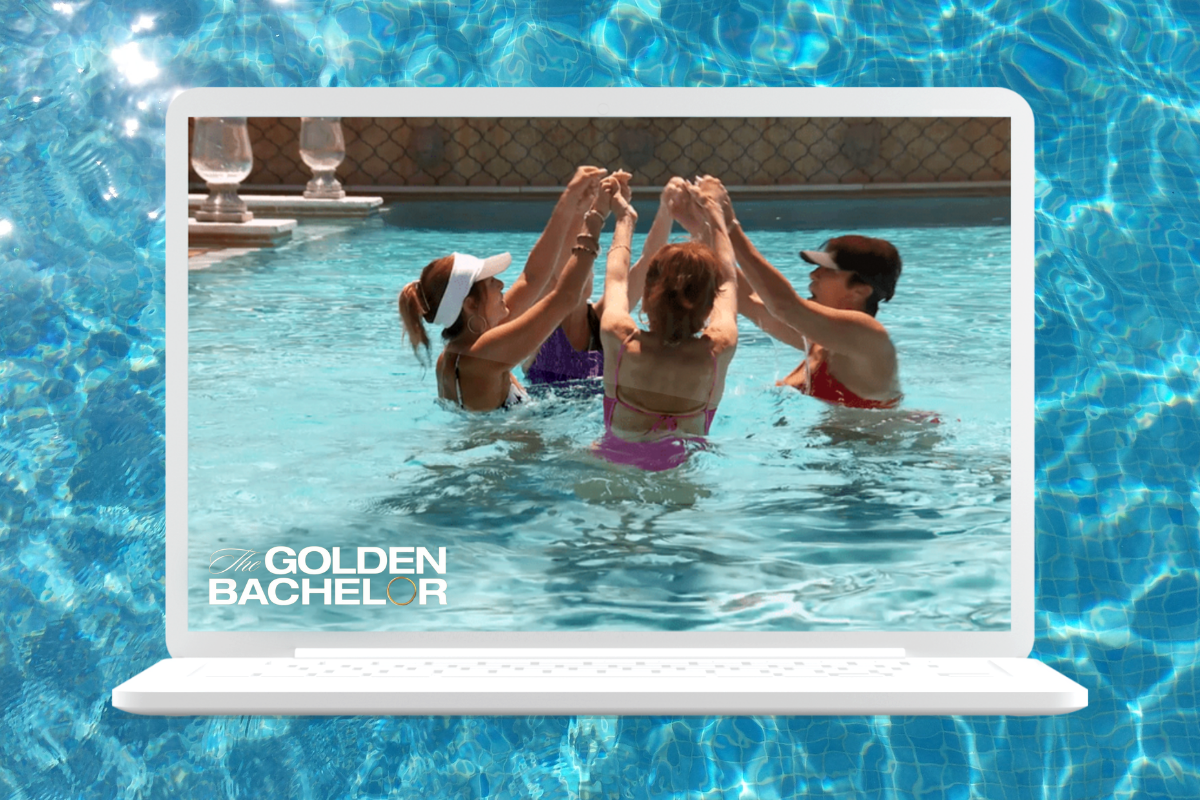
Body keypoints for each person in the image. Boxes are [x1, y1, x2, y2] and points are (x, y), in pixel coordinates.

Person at [397, 166, 611, 411]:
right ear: (470, 304)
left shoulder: (459, 351)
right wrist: (595, 221)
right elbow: (566, 297)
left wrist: (572, 203)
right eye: (490, 282)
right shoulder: (485, 354)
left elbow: (532, 277)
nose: (501, 284)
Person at [704, 176, 903, 409]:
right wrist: (703, 225)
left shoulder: (868, 336)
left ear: (859, 291)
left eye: (828, 270)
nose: (814, 275)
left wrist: (729, 224)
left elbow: (783, 305)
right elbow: (747, 299)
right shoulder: (821, 340)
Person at [593, 174, 738, 471]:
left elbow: (618, 275)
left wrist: (625, 218)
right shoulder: (720, 347)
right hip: (684, 469)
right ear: (710, 302)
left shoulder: (618, 338)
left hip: (613, 466)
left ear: (646, 295)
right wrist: (715, 213)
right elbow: (729, 277)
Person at [523, 178, 685, 389]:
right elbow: (563, 255)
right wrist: (591, 207)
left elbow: (649, 262)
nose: (585, 270)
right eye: (576, 262)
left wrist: (666, 209)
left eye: (588, 265)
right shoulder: (536, 331)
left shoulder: (604, 320)